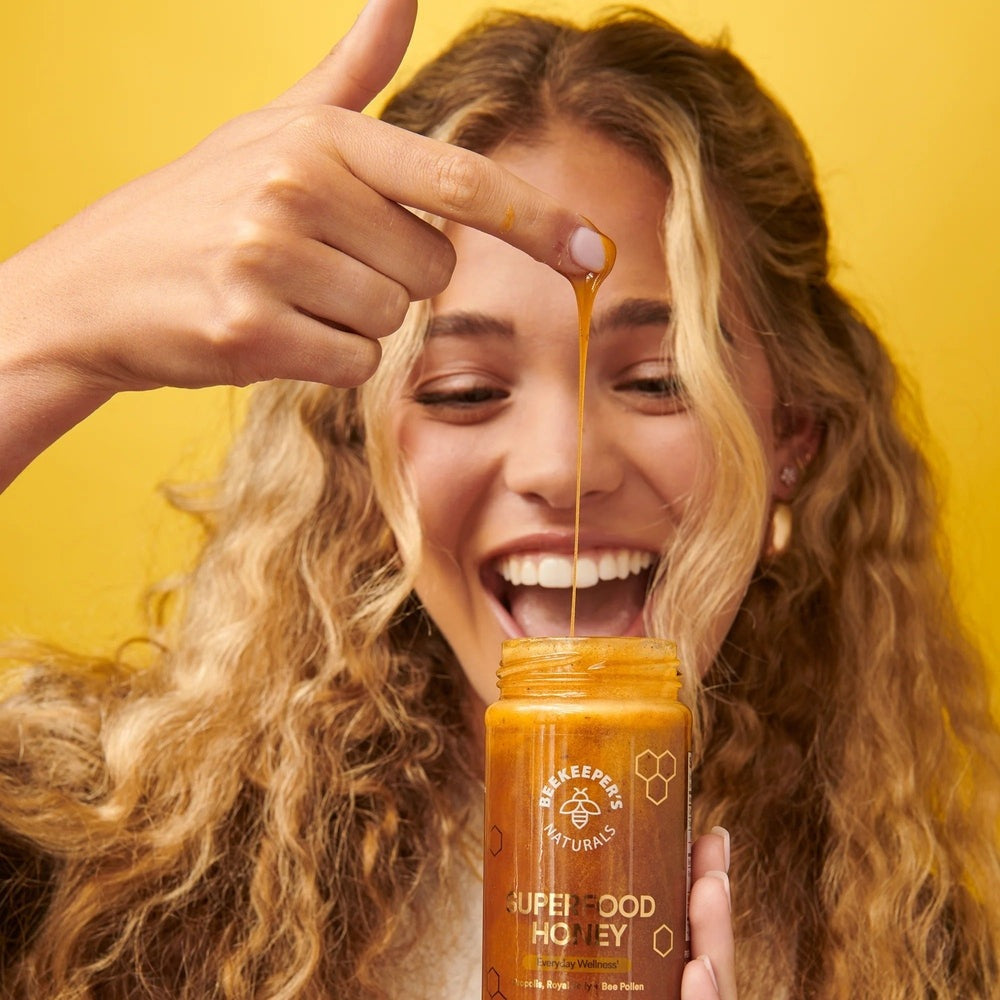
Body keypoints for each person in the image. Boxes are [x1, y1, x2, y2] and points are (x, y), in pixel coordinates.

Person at [1, 0, 997, 997]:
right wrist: (42, 328)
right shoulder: (104, 868)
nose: (562, 469)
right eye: (464, 392)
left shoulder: (943, 951)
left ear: (791, 437)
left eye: (657, 380)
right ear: (361, 458)